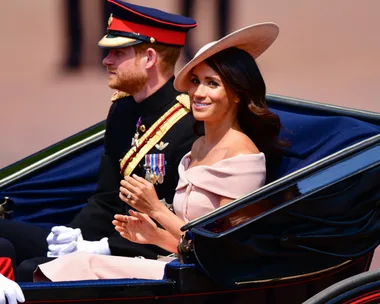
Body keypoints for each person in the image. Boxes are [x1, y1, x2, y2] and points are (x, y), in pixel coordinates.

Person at [33, 22, 286, 282]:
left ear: (237, 94)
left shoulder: (242, 157)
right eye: (196, 82)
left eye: (212, 84)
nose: (198, 92)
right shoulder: (199, 146)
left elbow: (222, 248)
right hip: (178, 264)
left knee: (72, 268)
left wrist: (155, 209)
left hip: (203, 279)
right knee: (54, 267)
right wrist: (148, 235)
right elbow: (186, 240)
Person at [0, 0, 199, 284]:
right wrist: (74, 234)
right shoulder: (124, 108)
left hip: (142, 253)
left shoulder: (188, 123)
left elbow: (175, 219)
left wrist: (100, 247)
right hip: (98, 240)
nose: (106, 60)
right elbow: (106, 198)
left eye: (118, 53)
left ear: (150, 58)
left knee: (29, 269)